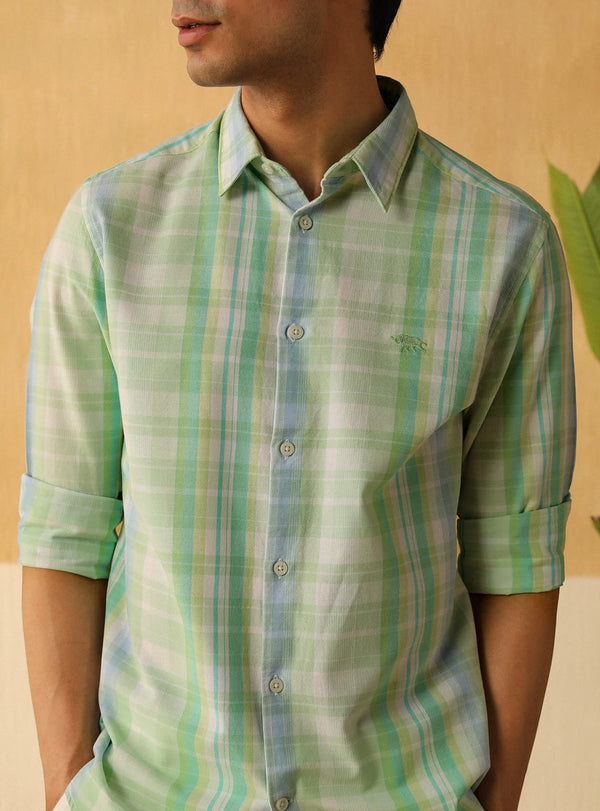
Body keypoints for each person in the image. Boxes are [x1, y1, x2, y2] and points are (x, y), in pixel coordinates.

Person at [18, 1, 576, 809]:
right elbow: (65, 534)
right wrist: (65, 788)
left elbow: (515, 558)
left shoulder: (504, 247)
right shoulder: (110, 229)